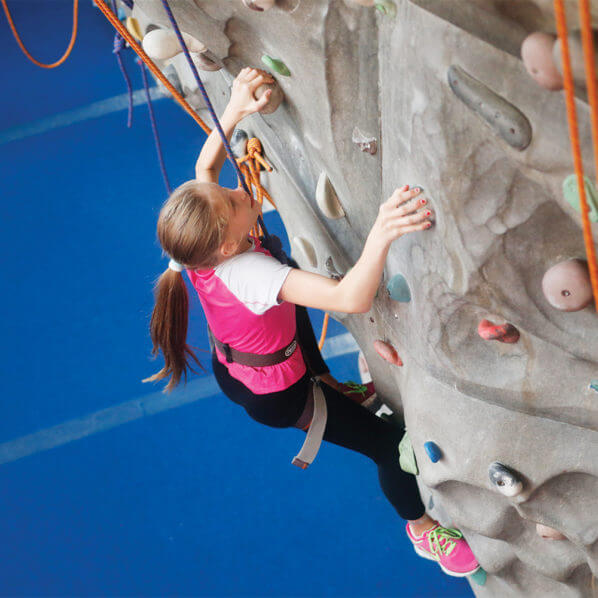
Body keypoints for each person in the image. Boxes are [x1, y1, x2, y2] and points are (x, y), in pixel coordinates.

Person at [145, 67, 480, 578]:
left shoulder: (198, 250)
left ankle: (325, 383)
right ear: (229, 245)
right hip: (278, 396)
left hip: (237, 363)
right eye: (237, 203)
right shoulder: (252, 272)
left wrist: (234, 108)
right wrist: (383, 231)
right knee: (388, 446)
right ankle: (419, 527)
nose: (240, 190)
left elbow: (203, 167)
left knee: (291, 314)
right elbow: (349, 297)